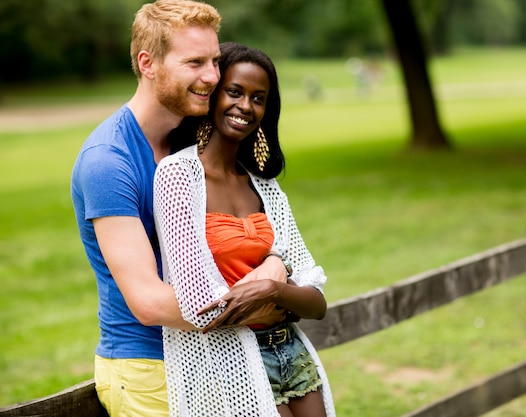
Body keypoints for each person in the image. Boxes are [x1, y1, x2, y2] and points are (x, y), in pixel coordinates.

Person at [70, 3, 287, 416]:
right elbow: (150, 301)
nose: (212, 77)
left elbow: (248, 229)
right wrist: (269, 302)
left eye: (215, 61)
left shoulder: (193, 142)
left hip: (215, 352)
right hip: (148, 368)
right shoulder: (108, 161)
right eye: (195, 63)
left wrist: (275, 261)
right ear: (147, 64)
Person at [154, 42, 336, 417]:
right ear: (213, 95)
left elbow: (316, 301)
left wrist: (273, 287)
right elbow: (202, 308)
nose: (245, 106)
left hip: (292, 354)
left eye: (258, 98)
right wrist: (279, 277)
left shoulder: (267, 188)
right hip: (230, 361)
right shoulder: (177, 176)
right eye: (234, 92)